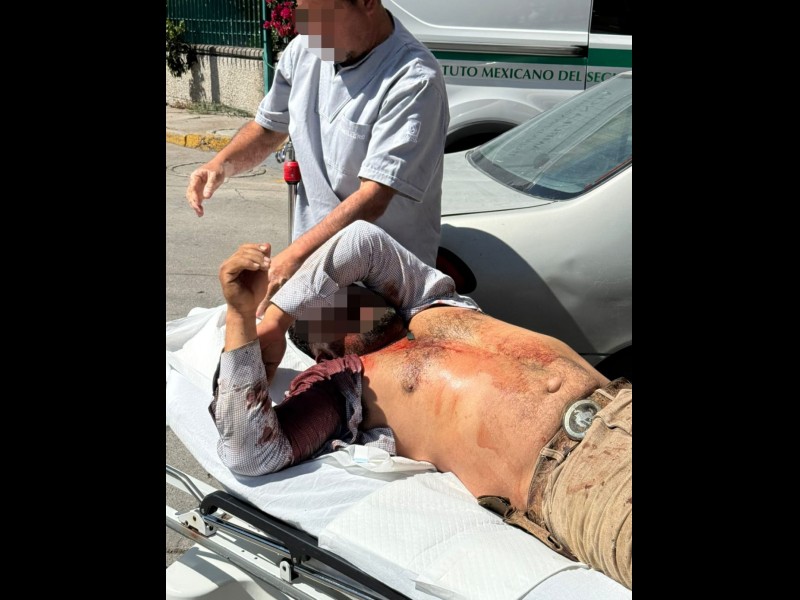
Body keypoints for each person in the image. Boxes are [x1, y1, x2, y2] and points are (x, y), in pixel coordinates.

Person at [212, 221, 632, 590]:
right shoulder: (345, 389)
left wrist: (278, 318)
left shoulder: (432, 304)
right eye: (323, 313)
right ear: (322, 353)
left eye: (343, 291)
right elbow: (250, 453)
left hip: (621, 402)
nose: (341, 300)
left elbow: (363, 241)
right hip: (582, 481)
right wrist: (241, 317)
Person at [186, 0, 449, 317]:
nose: (308, 29)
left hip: (381, 289)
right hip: (310, 273)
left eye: (322, 15)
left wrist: (293, 256)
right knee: (243, 333)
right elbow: (268, 129)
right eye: (303, 13)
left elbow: (373, 198)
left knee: (266, 338)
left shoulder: (414, 79)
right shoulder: (305, 51)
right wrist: (220, 164)